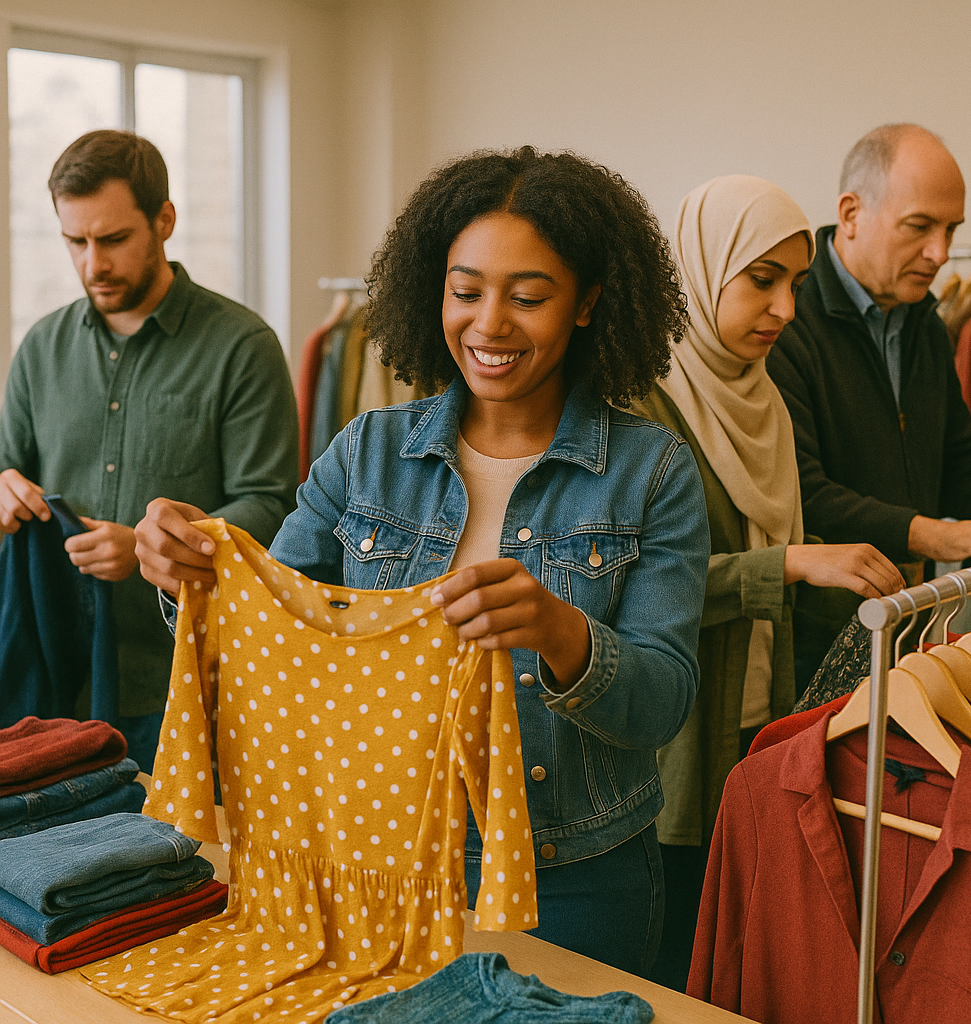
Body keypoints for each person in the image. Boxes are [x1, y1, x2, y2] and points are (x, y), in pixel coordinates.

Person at [133, 145, 710, 977]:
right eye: (466, 291)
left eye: (529, 297)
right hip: (376, 864)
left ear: (586, 303)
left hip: (578, 880)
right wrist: (191, 574)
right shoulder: (365, 454)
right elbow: (270, 639)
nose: (489, 325)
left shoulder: (651, 472)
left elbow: (663, 703)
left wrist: (561, 633)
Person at [632, 175, 905, 988]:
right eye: (762, 280)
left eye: (795, 283)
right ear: (698, 268)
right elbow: (632, 584)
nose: (785, 308)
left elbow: (765, 536)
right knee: (669, 968)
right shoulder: (641, 407)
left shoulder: (762, 400)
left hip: (755, 728)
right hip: (672, 748)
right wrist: (790, 563)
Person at [0, 130, 299, 772]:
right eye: (74, 242)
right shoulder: (40, 349)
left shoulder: (242, 347)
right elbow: (7, 468)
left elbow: (272, 508)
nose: (92, 265)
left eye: (112, 240)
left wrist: (148, 548)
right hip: (50, 684)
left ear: (164, 221)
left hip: (184, 681)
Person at [766, 123, 971, 667]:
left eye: (951, 230)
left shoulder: (923, 323)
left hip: (904, 621)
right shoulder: (786, 318)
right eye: (920, 227)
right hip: (812, 637)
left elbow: (955, 461)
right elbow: (802, 492)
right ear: (852, 213)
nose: (940, 252)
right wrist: (937, 537)